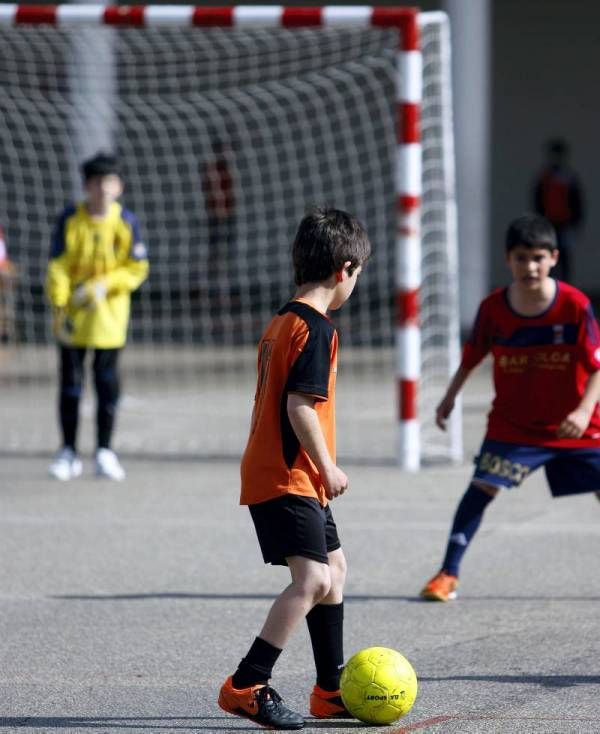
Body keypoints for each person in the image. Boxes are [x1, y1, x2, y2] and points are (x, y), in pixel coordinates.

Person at [218, 208, 371, 729]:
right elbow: (299, 406)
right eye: (358, 275)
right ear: (345, 269)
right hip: (290, 476)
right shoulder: (318, 329)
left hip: (289, 474)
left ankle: (329, 690)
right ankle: (246, 684)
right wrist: (328, 466)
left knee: (337, 572)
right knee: (311, 580)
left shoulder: (283, 319)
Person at [420, 213, 600, 602]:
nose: (530, 266)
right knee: (481, 487)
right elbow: (471, 358)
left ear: (553, 257)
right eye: (521, 257)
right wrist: (449, 397)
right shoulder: (493, 309)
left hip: (576, 425)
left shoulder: (575, 305)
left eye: (538, 257)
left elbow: (598, 367)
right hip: (514, 427)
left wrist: (584, 411)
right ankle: (447, 573)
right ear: (508, 260)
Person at [46, 152, 149, 481]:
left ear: (118, 186)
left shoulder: (126, 222)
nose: (103, 189)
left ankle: (104, 451)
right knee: (71, 388)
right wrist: (63, 300)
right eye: (96, 182)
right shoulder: (70, 220)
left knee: (107, 388)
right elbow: (57, 265)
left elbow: (137, 267)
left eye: (109, 182)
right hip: (72, 322)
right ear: (86, 186)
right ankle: (68, 452)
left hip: (109, 322)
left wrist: (105, 284)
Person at [532, 138, 585, 283]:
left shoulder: (569, 178)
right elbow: (537, 201)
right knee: (547, 258)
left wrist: (575, 225)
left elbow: (577, 202)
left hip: (565, 224)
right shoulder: (544, 177)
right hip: (548, 225)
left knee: (565, 259)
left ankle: (565, 289)